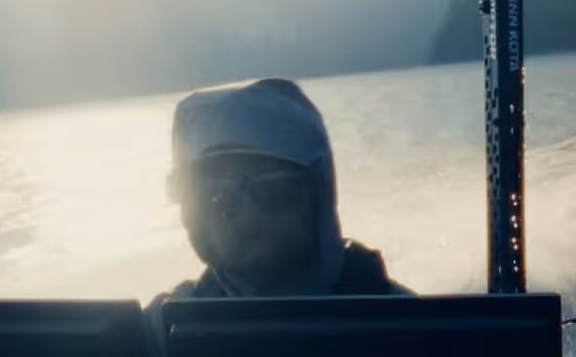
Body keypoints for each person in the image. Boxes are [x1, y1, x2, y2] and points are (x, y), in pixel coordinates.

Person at [161, 78, 408, 299]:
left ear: (318, 198)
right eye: (219, 198)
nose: (249, 218)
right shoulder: (159, 336)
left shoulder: (412, 327)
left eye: (274, 193)